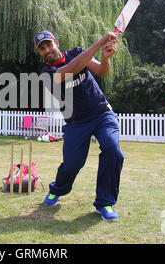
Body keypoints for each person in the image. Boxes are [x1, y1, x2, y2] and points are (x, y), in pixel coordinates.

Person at [35, 30, 124, 221]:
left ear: (56, 43)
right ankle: (57, 189)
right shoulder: (47, 74)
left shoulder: (76, 52)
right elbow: (70, 70)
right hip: (76, 122)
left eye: (49, 44)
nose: (47, 50)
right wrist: (99, 43)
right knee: (72, 165)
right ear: (40, 53)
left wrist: (105, 58)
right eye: (42, 48)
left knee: (113, 150)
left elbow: (102, 71)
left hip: (101, 113)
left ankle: (105, 203)